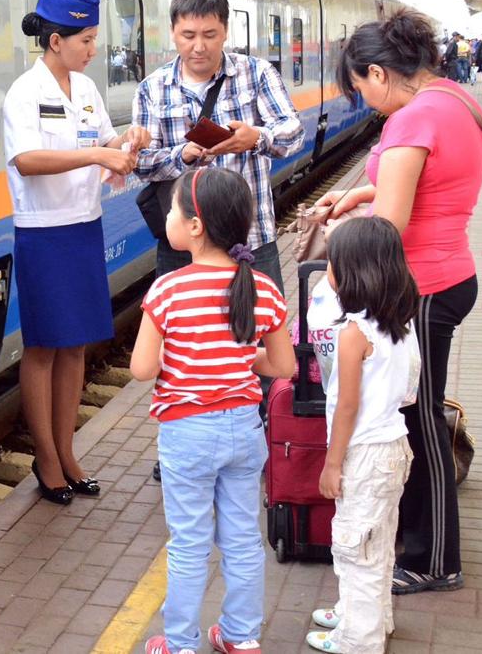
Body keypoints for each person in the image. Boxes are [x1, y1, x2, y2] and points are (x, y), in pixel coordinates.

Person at [316, 8, 482, 597]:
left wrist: (341, 246)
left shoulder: (412, 119)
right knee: (418, 415)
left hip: (423, 288)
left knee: (420, 423)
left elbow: (390, 225)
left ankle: (436, 558)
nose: (364, 101)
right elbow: (430, 182)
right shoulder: (456, 101)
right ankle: (421, 540)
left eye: (361, 88)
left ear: (378, 73)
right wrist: (363, 191)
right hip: (450, 273)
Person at [132, 168, 296, 654]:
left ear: (196, 226)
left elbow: (143, 368)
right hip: (244, 430)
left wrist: (181, 358)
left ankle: (180, 643)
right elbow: (283, 364)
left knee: (188, 543)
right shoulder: (262, 287)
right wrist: (244, 357)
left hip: (186, 434)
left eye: (173, 210)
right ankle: (242, 637)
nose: (167, 218)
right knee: (243, 538)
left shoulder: (167, 291)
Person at [3, 0, 150, 504]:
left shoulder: (85, 91)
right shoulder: (26, 92)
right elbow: (26, 160)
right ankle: (46, 460)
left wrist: (127, 140)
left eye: (94, 39)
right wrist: (96, 158)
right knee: (43, 345)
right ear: (56, 39)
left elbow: (102, 140)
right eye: (85, 40)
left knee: (76, 345)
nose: (93, 50)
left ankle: (68, 451)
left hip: (84, 225)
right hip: (43, 232)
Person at [132, 0, 304, 290]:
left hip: (249, 241)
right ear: (172, 32)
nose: (199, 46)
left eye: (209, 35)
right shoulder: (152, 88)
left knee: (259, 333)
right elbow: (141, 163)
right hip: (183, 246)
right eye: (188, 35)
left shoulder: (257, 73)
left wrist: (256, 138)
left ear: (225, 31)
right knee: (183, 337)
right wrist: (182, 154)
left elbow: (294, 132)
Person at [305, 217, 419, 654]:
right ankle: (368, 616)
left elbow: (347, 407)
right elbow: (409, 389)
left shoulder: (354, 334)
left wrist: (332, 465)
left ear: (352, 273)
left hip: (363, 453)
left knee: (356, 548)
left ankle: (359, 639)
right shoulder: (401, 322)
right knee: (377, 542)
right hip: (394, 444)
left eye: (333, 262)